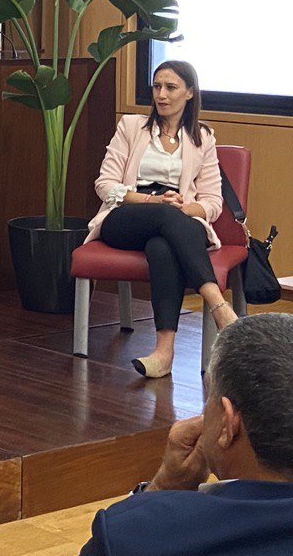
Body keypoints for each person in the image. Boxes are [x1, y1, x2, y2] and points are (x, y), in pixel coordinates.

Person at [79, 313, 293, 555]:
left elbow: (130, 535)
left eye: (210, 396)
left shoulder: (130, 537)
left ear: (228, 423)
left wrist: (162, 487)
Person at [86, 60, 237, 378]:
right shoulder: (131, 127)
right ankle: (218, 304)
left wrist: (185, 209)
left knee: (161, 247)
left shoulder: (202, 139)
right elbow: (105, 184)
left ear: (190, 93)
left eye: (171, 87)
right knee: (163, 217)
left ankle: (163, 354)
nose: (162, 94)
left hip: (177, 222)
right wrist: (153, 201)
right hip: (126, 218)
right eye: (157, 87)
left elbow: (211, 203)